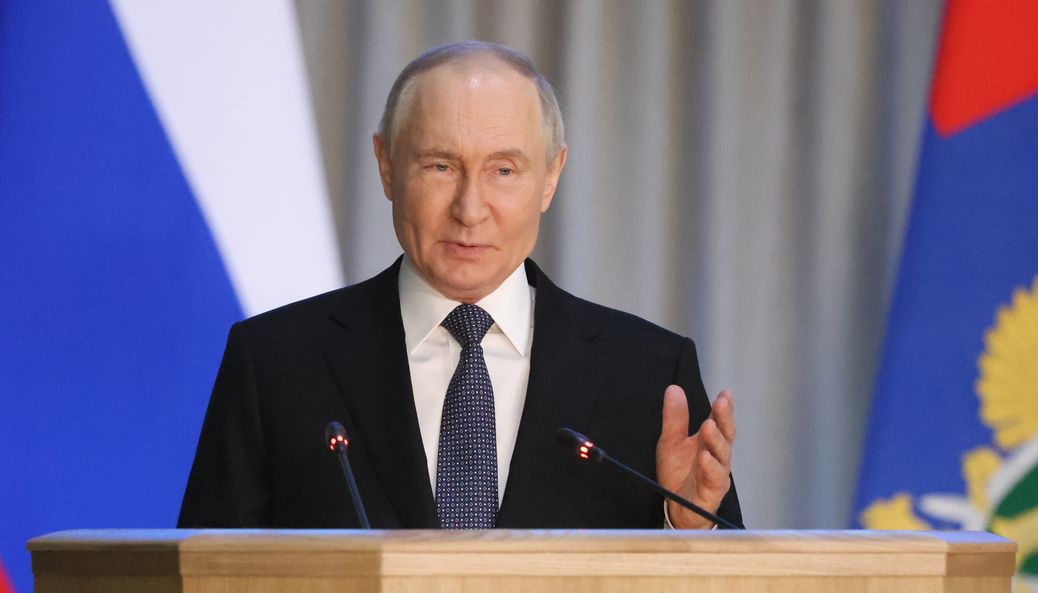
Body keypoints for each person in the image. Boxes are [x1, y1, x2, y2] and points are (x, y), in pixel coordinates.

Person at [178, 41, 741, 530]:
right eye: (440, 166)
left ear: (550, 177)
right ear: (386, 166)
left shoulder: (648, 374)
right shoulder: (274, 364)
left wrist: (684, 526)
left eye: (503, 170)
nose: (470, 210)